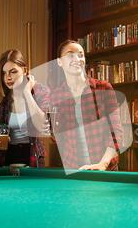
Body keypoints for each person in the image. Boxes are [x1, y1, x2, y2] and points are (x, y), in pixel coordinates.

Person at [49, 40, 123, 171]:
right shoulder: (55, 96)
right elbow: (58, 138)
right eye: (70, 55)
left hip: (105, 168)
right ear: (59, 62)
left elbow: (115, 132)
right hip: (74, 170)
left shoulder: (103, 88)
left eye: (80, 55)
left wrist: (103, 164)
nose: (77, 59)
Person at [0, 49, 50, 167]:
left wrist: (27, 92)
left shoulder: (42, 92)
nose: (8, 78)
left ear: (24, 70)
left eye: (13, 72)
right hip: (5, 156)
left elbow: (42, 126)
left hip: (33, 155)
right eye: (3, 73)